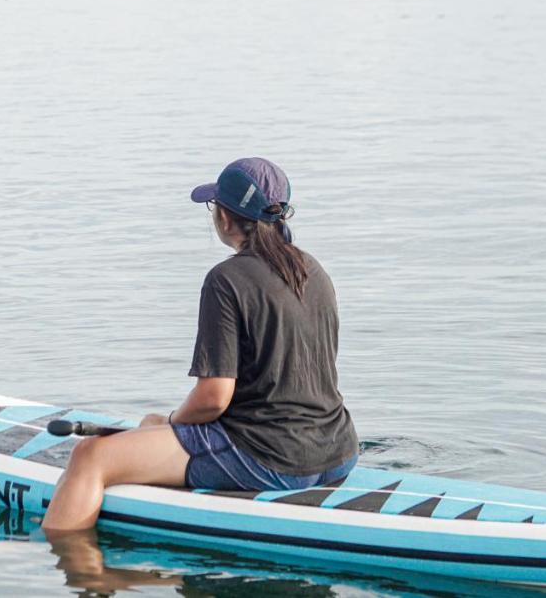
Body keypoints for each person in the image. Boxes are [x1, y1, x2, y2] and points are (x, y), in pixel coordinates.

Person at [41, 157, 359, 531]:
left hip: (271, 459)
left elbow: (213, 398)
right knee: (152, 425)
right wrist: (168, 427)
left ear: (224, 217)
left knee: (89, 457)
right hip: (338, 450)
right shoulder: (314, 270)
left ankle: (77, 569)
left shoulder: (226, 280)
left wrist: (172, 422)